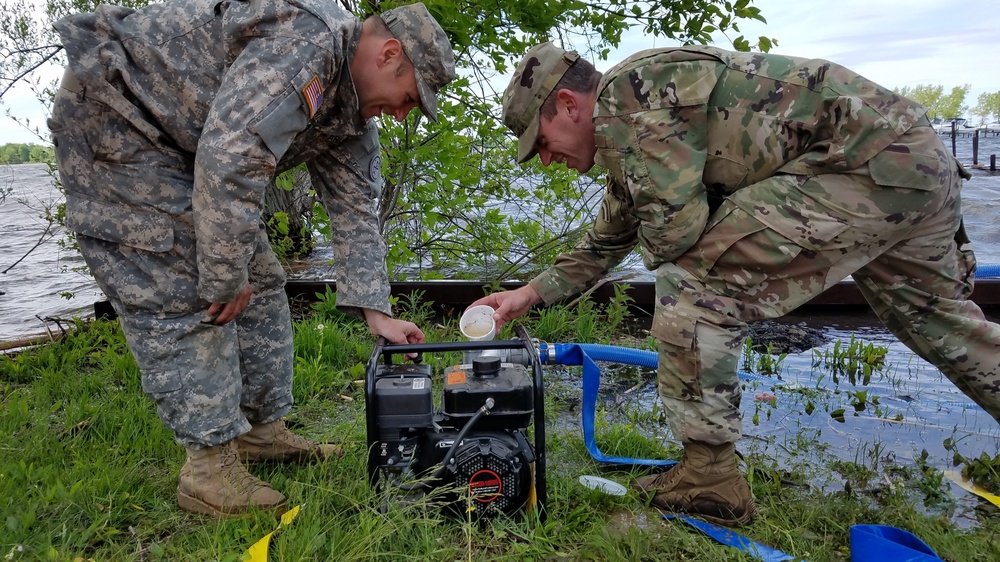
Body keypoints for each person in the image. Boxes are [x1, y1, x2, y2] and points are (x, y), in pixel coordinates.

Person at [471, 41, 1000, 526]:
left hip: (863, 164)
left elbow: (674, 235)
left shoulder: (630, 99)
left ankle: (710, 478)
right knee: (941, 327)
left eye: (540, 142)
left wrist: (678, 234)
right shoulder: (635, 125)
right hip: (911, 158)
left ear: (567, 104)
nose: (544, 159)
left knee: (695, 286)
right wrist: (528, 294)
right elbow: (610, 239)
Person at [47, 0, 454, 517]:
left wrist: (379, 313)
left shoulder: (349, 111)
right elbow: (231, 157)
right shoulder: (308, 44)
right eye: (410, 97)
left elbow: (356, 212)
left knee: (258, 278)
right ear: (389, 54)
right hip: (119, 118)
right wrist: (221, 274)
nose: (402, 113)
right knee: (187, 283)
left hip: (187, 145)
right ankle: (208, 468)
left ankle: (260, 432)